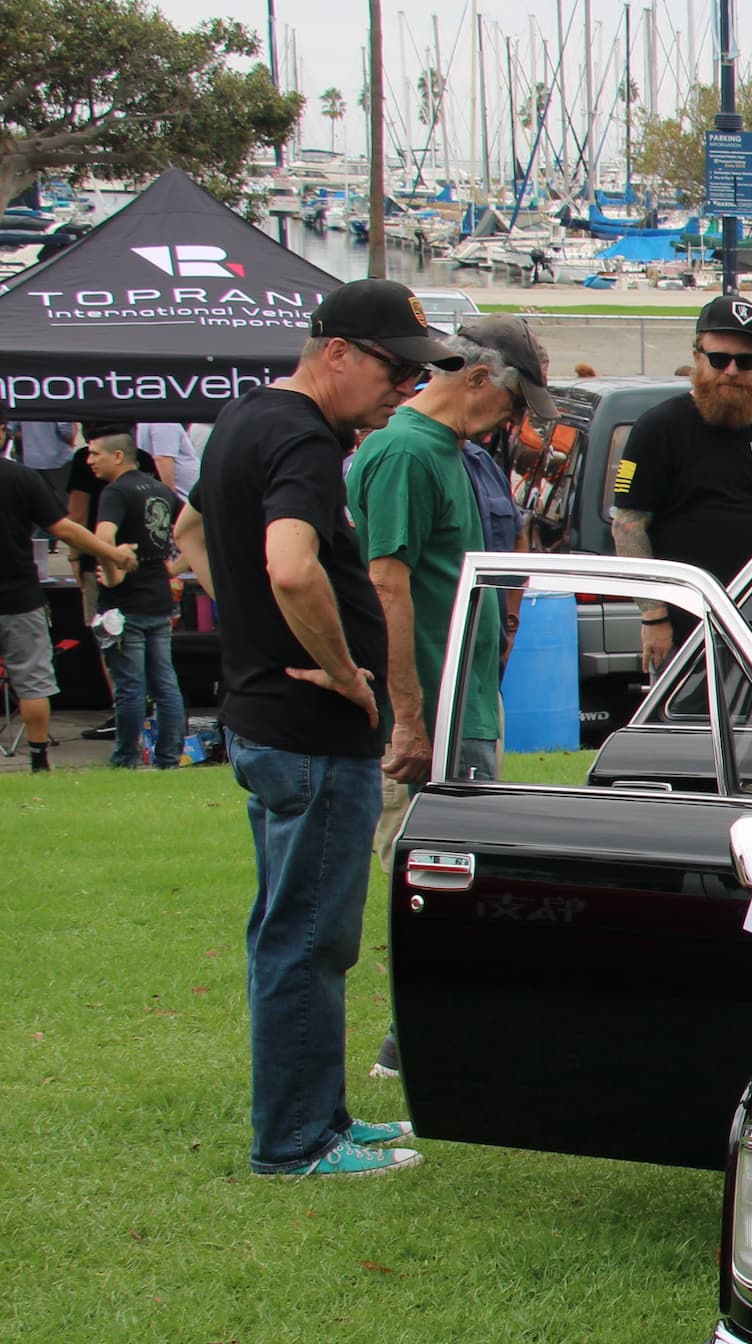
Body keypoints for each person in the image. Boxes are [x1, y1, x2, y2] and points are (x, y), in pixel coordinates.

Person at [173, 278, 461, 1178]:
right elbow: (293, 567)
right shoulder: (301, 436)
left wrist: (257, 630)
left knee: (291, 930)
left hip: (267, 721)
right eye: (393, 368)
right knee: (309, 937)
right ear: (336, 352)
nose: (405, 388)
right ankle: (298, 1140)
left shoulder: (245, 418)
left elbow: (189, 531)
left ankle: (320, 1115)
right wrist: (340, 669)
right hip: (308, 729)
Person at [351, 315, 552, 1081]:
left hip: (463, 703)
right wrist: (409, 718)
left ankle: (435, 1033)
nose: (512, 419)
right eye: (513, 402)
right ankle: (417, 1043)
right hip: (432, 713)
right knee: (435, 880)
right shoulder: (405, 452)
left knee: (462, 878)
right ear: (477, 378)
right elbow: (386, 587)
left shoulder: (451, 453)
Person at [612, 295, 752, 673]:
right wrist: (653, 616)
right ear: (698, 356)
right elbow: (628, 527)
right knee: (692, 714)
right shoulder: (657, 428)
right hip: (688, 626)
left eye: (745, 361)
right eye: (719, 359)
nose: (731, 371)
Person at [0, 446, 137, 772]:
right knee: (32, 681)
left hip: (21, 597)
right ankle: (39, 760)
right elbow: (64, 528)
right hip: (19, 597)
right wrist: (111, 553)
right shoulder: (20, 477)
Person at [82, 433, 187, 768]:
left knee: (130, 686)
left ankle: (126, 758)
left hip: (125, 605)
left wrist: (113, 573)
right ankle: (169, 757)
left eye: (95, 454)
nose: (89, 460)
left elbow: (104, 537)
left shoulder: (115, 492)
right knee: (166, 684)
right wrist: (174, 567)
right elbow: (194, 530)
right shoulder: (161, 489)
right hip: (159, 599)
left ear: (117, 455)